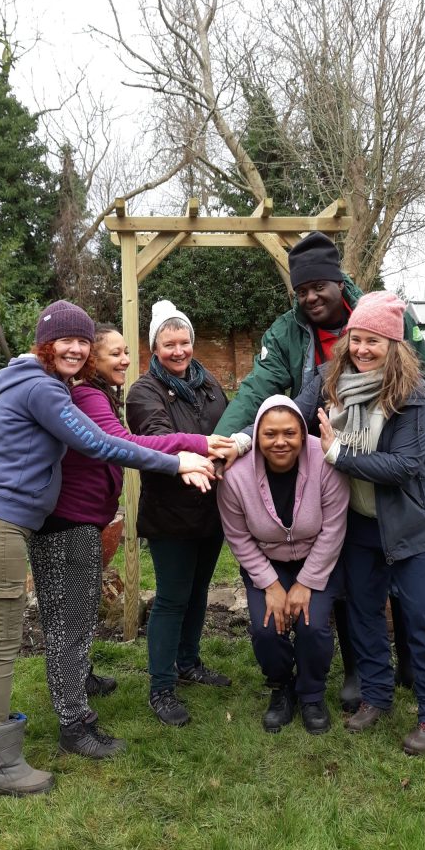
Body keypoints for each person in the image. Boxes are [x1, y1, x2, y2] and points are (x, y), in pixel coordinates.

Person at [0, 300, 214, 796]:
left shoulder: (24, 380)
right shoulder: (46, 389)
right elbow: (103, 444)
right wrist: (178, 462)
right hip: (2, 523)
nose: (78, 348)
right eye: (68, 340)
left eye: (84, 341)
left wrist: (18, 429)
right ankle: (0, 765)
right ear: (46, 344)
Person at [215, 231, 425, 709]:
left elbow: (412, 442)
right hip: (354, 495)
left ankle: (423, 690)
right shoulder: (313, 358)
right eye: (300, 291)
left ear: (338, 282)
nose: (310, 298)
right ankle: (369, 686)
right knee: (360, 603)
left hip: (399, 498)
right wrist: (234, 440)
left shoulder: (399, 358)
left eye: (317, 286)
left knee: (415, 606)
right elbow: (270, 397)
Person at [28, 323, 234, 759]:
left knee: (77, 617)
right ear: (91, 362)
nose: (125, 359)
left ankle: (84, 681)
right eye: (115, 353)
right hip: (72, 519)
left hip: (93, 516)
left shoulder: (98, 394)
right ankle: (77, 720)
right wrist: (188, 449)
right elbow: (121, 442)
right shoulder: (89, 395)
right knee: (72, 623)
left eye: (126, 352)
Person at [310, 291, 425, 754]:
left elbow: (405, 465)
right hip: (361, 523)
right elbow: (287, 411)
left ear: (393, 345)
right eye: (356, 339)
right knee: (363, 614)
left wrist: (337, 453)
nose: (362, 349)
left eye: (374, 341)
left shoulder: (410, 393)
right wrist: (242, 439)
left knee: (421, 618)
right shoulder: (332, 380)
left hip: (412, 523)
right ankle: (375, 696)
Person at [126, 300, 231, 727]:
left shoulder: (209, 385)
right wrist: (203, 451)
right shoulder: (143, 391)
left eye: (184, 341)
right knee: (171, 598)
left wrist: (224, 454)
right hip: (170, 511)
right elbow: (156, 436)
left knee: (199, 591)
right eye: (169, 344)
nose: (179, 350)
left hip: (212, 508)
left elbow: (227, 428)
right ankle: (161, 687)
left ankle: (189, 663)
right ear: (155, 347)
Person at [217, 395, 349, 734]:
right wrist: (271, 585)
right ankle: (280, 688)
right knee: (266, 627)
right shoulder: (236, 475)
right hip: (266, 561)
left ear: (303, 435)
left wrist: (306, 583)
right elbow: (238, 536)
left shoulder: (325, 460)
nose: (280, 442)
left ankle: (311, 693)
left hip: (317, 558)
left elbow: (334, 527)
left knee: (312, 625)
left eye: (289, 433)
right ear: (257, 437)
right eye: (270, 434)